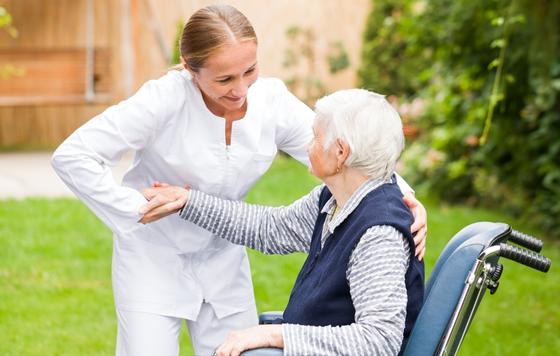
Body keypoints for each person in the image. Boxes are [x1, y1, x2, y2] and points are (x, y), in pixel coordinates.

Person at [51, 5, 427, 356]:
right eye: (225, 78)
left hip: (223, 259)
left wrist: (405, 200)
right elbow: (73, 156)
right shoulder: (163, 101)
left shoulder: (271, 101)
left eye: (250, 71)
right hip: (154, 258)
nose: (241, 89)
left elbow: (356, 153)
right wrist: (136, 209)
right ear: (189, 69)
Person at [140, 89, 424, 356]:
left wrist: (277, 336)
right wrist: (188, 202)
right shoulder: (337, 199)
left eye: (315, 137)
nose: (306, 145)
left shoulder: (378, 235)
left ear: (340, 153)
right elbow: (270, 228)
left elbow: (379, 341)